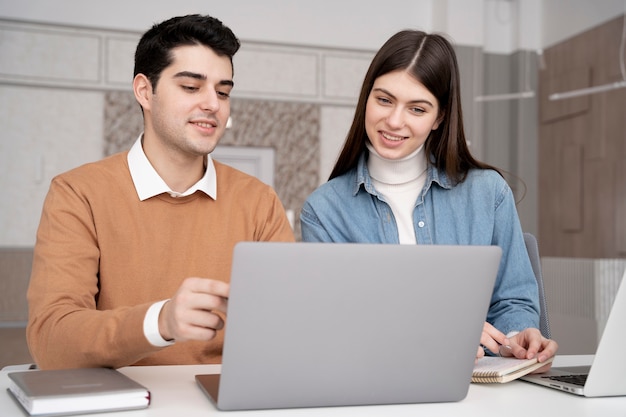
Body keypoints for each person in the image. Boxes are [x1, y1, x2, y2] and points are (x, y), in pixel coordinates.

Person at [27, 14, 294, 370]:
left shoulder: (258, 201)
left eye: (223, 91)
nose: (213, 104)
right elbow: (51, 339)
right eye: (190, 87)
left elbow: (291, 326)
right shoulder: (78, 193)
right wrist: (161, 321)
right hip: (121, 405)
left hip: (226, 403)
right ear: (144, 91)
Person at [300, 30, 557, 370]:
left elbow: (513, 299)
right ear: (366, 98)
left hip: (478, 391)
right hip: (375, 385)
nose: (394, 121)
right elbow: (333, 326)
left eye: (417, 108)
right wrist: (439, 332)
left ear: (439, 117)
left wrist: (518, 335)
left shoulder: (488, 194)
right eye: (384, 100)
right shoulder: (323, 212)